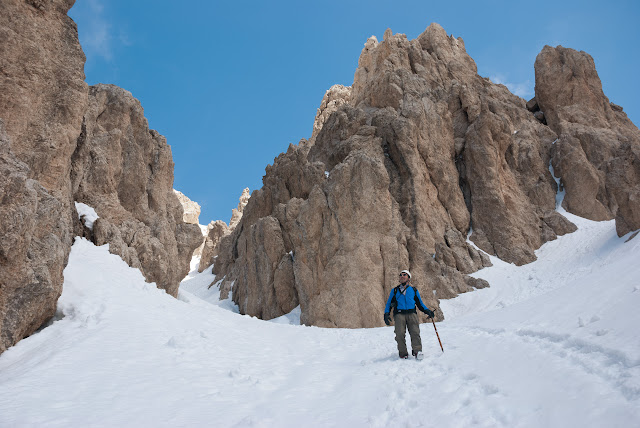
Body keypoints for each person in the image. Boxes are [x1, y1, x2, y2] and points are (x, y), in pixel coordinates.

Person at [384, 270, 435, 359]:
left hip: (412, 314)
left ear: (409, 278)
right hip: (399, 314)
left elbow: (420, 303)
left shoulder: (414, 290)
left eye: (404, 275)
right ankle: (403, 353)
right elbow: (389, 303)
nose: (402, 276)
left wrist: (427, 311)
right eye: (400, 275)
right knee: (399, 334)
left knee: (415, 333)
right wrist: (386, 314)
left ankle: (417, 351)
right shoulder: (395, 290)